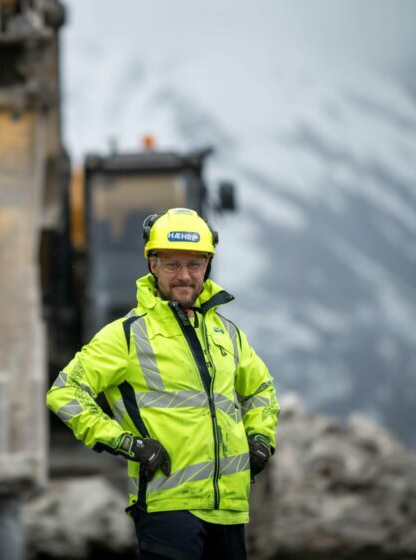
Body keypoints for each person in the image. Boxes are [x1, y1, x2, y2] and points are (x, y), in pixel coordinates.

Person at [47, 207, 279, 559]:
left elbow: (260, 389)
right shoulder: (126, 335)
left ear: (207, 266)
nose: (184, 276)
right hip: (168, 508)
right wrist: (125, 443)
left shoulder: (226, 333)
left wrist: (261, 438)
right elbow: (65, 392)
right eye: (172, 265)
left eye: (194, 265)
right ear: (153, 265)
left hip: (229, 508)